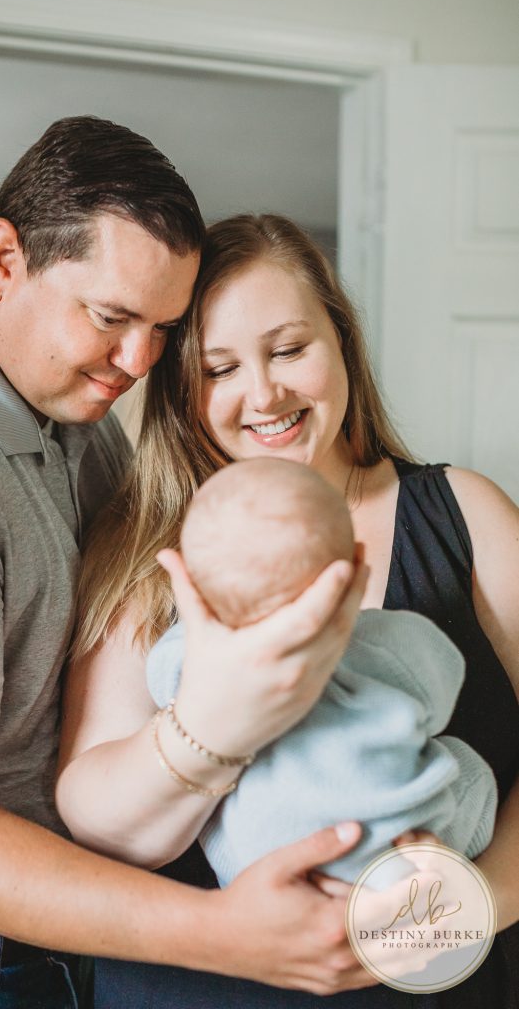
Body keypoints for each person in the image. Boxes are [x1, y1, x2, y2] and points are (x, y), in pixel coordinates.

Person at [0, 124, 369, 1007]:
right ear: (3, 259)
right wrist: (226, 937)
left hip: (45, 944)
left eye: (163, 329)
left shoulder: (69, 405)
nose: (140, 363)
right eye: (111, 318)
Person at [57, 213, 519, 1007]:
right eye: (219, 367)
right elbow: (97, 818)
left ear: (340, 341)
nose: (263, 393)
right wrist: (215, 723)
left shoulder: (464, 514)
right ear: (181, 387)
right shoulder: (145, 548)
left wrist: (466, 907)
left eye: (288, 349)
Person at [147, 457, 498, 888]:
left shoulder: (186, 651)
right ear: (353, 565)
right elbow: (440, 688)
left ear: (191, 581)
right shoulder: (385, 641)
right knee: (470, 769)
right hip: (390, 846)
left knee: (222, 816)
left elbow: (161, 682)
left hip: (263, 864)